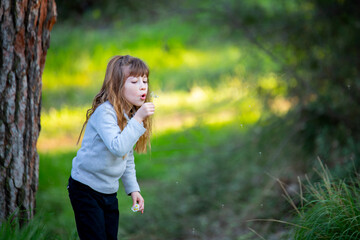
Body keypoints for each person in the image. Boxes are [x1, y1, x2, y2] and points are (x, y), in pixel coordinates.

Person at [67, 55, 155, 240]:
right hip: (85, 188)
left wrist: (134, 189)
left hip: (108, 191)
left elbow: (126, 156)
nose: (143, 86)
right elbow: (118, 148)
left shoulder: (126, 115)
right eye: (134, 81)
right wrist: (138, 119)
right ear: (117, 85)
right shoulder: (105, 113)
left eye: (145, 81)